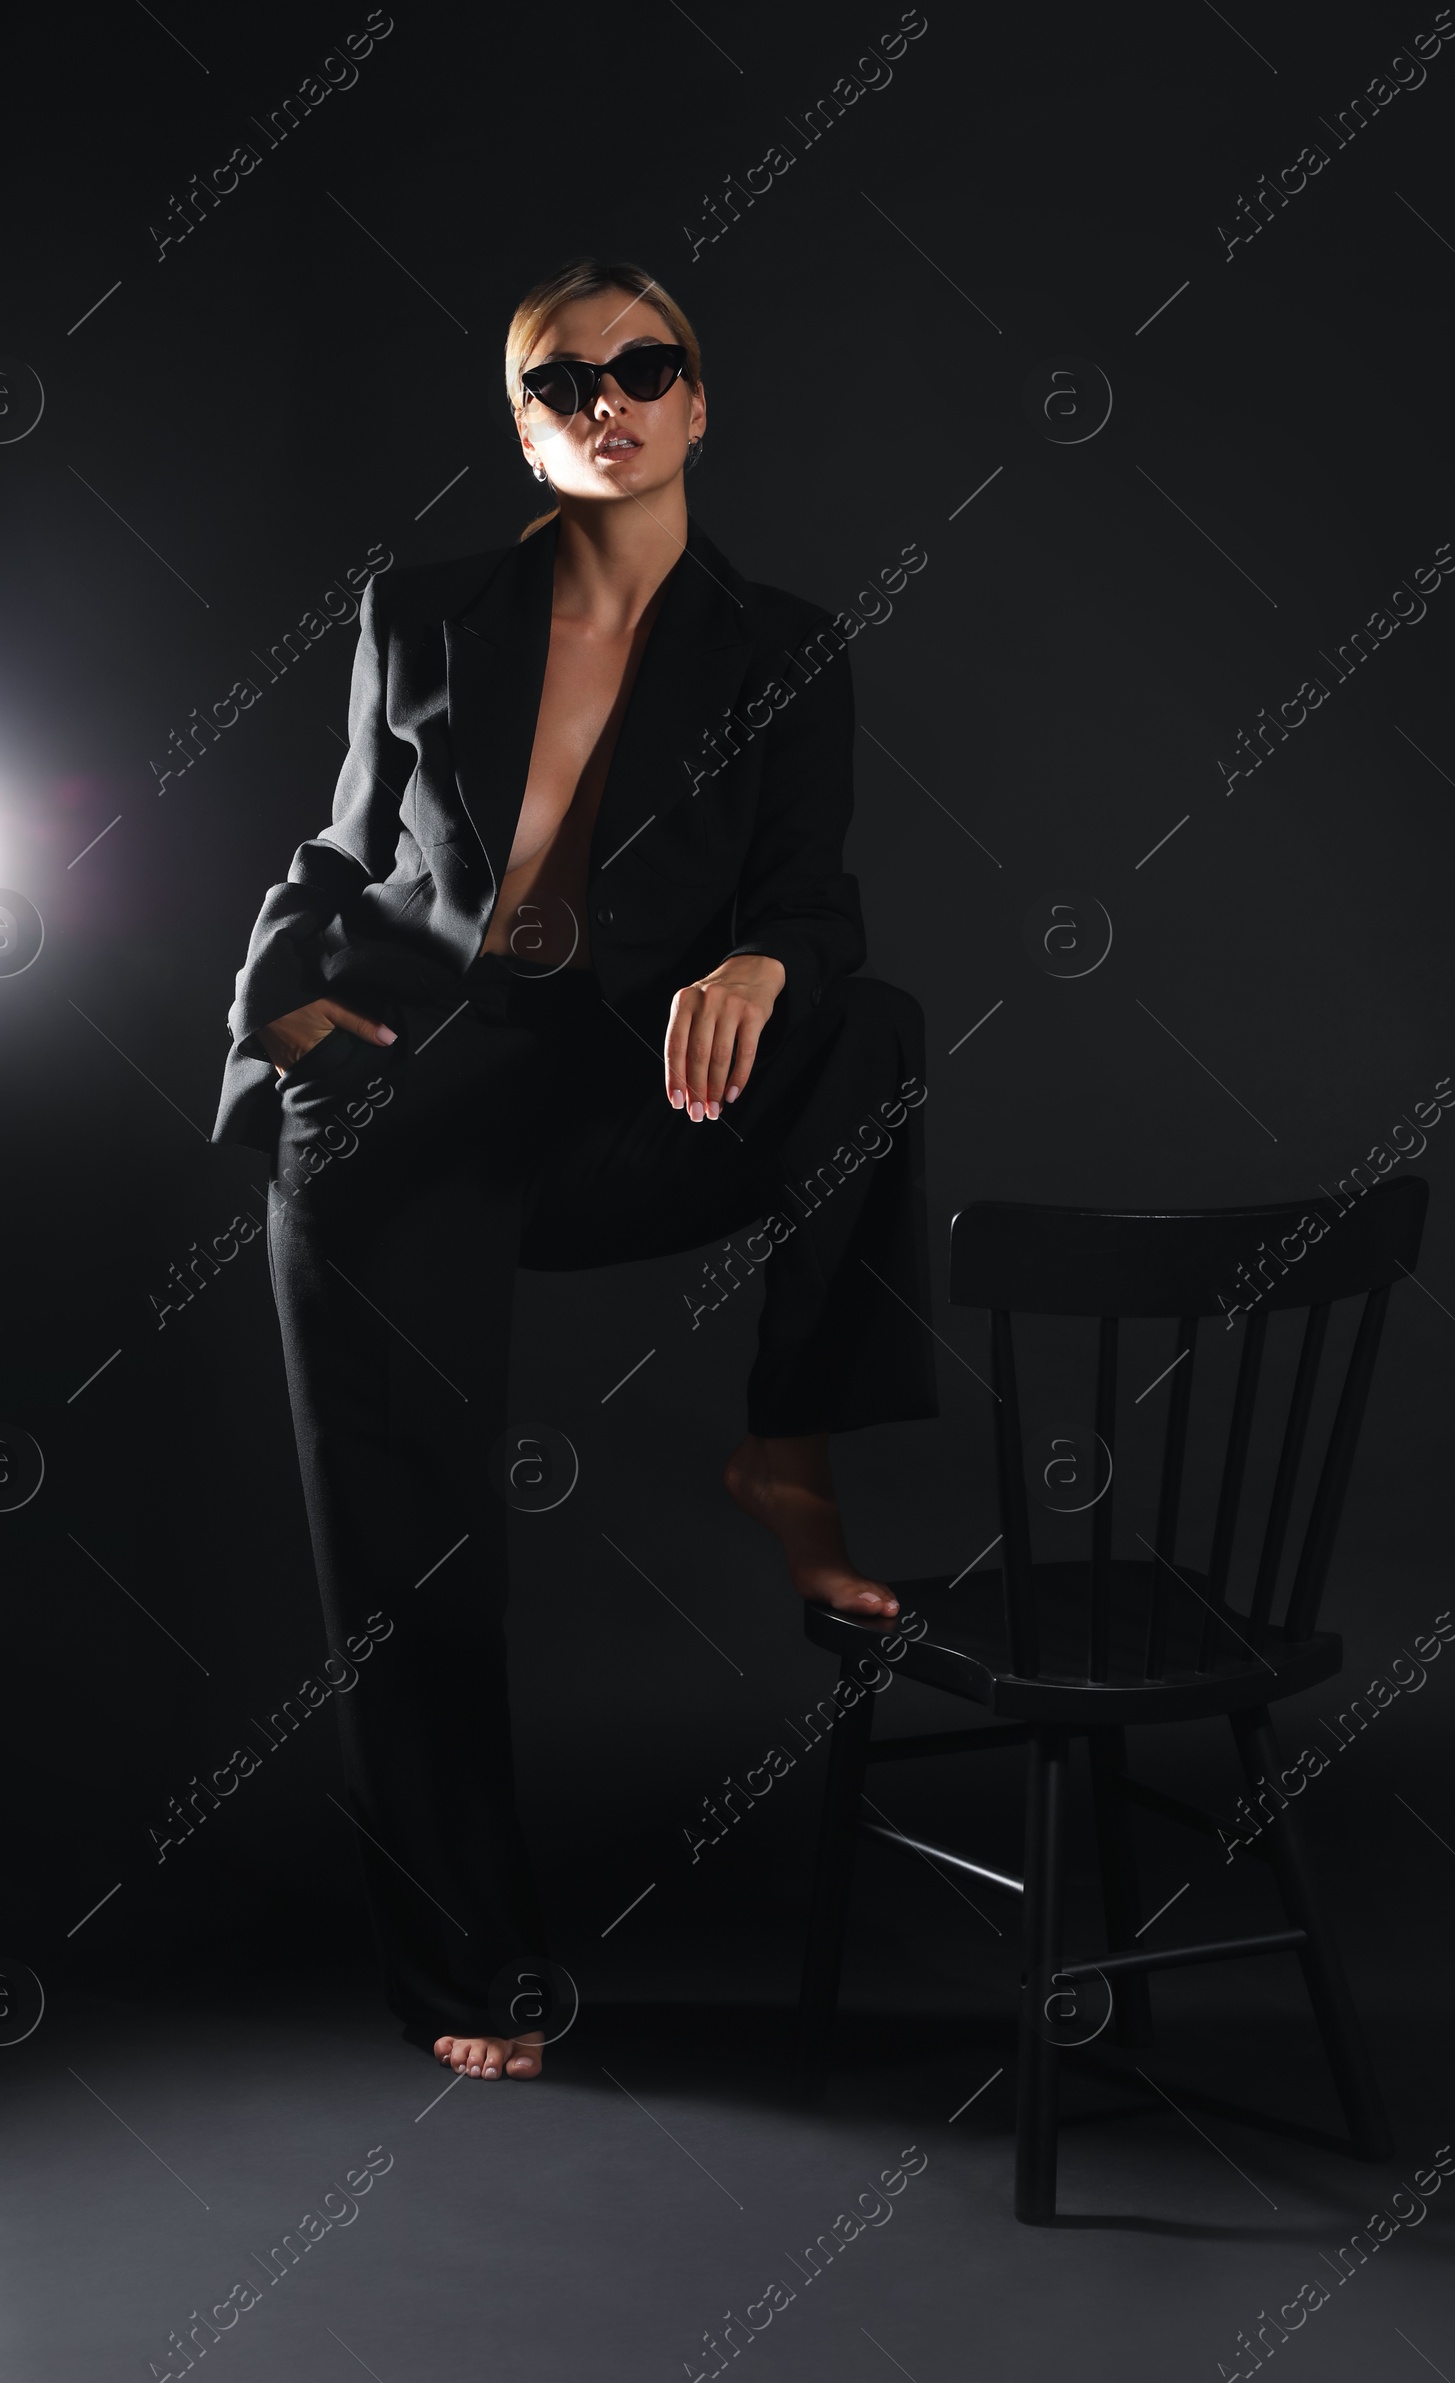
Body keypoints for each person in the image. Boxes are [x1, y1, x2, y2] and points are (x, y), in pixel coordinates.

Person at [211, 256, 939, 2082]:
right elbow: (338, 854)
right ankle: (469, 1968)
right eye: (561, 383)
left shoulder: (784, 646)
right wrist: (279, 1040)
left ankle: (786, 1450)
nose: (603, 400)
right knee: (413, 1558)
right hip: (406, 1104)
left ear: (700, 399)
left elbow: (812, 902)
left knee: (873, 1028)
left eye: (643, 366)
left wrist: (768, 962)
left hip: (633, 1101)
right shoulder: (423, 609)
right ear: (525, 430)